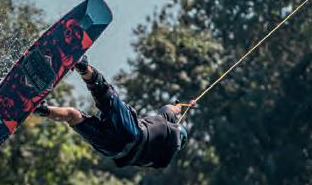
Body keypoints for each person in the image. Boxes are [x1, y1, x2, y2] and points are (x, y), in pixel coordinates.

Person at [34, 56, 193, 168]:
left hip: (131, 133)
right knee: (73, 116)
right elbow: (171, 113)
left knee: (104, 92)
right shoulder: (162, 158)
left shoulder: (171, 131)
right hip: (113, 150)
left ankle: (82, 66)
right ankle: (41, 109)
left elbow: (170, 110)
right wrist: (179, 108)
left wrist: (178, 107)